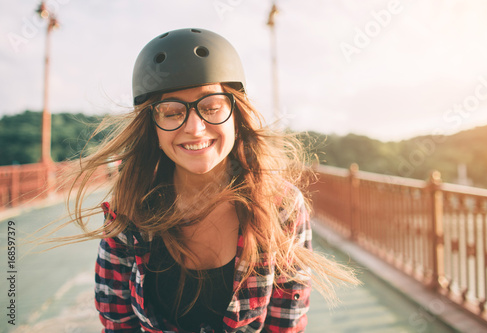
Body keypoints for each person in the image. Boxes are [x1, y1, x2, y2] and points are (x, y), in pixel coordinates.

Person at [68, 28, 358, 332]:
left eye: (211, 107)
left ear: (237, 114)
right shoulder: (129, 212)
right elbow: (117, 324)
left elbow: (286, 323)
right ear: (152, 125)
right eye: (170, 112)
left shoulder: (281, 205)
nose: (194, 128)